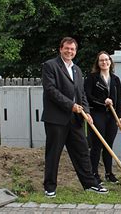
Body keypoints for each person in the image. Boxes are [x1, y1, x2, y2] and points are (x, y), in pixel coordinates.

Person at [41, 37, 108, 198]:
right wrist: (70, 105)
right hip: (56, 119)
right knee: (53, 154)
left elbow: (81, 94)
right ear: (60, 49)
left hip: (75, 119)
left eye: (72, 49)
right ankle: (49, 187)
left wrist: (87, 112)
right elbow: (51, 90)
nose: (69, 51)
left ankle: (90, 184)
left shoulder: (77, 70)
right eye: (67, 48)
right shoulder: (50, 66)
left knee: (82, 151)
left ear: (75, 51)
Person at [84, 51, 121, 184]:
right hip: (97, 114)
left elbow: (119, 100)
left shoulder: (116, 79)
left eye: (106, 60)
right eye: (101, 60)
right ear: (98, 63)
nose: (104, 62)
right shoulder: (92, 78)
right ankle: (94, 173)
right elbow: (88, 96)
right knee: (97, 144)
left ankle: (109, 173)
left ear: (110, 62)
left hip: (112, 116)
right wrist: (103, 102)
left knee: (109, 145)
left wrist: (120, 116)